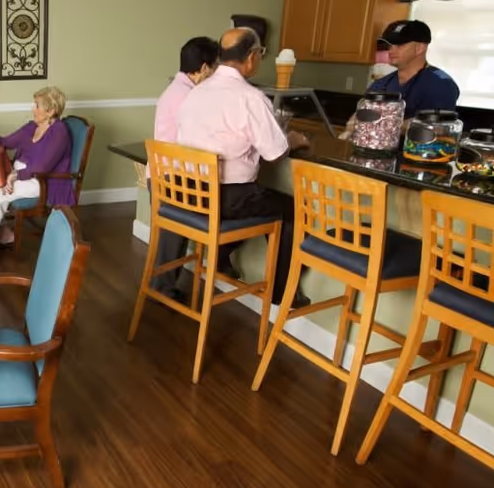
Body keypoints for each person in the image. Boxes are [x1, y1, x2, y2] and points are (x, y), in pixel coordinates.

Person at [175, 28, 311, 307]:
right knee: (294, 211)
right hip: (225, 199)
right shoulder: (250, 98)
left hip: (187, 195)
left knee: (256, 202)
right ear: (251, 57)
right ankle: (282, 292)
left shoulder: (196, 93)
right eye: (260, 53)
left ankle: (222, 259)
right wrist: (293, 140)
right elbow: (275, 154)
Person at [0, 86, 74, 272]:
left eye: (37, 105)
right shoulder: (32, 127)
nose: (33, 108)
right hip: (19, 176)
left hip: (42, 182)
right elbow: (5, 142)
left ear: (51, 110)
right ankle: (4, 233)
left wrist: (14, 177)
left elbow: (42, 167)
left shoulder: (59, 132)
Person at [151, 37, 219, 298]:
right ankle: (219, 258)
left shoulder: (174, 90)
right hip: (176, 179)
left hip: (162, 176)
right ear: (204, 68)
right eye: (214, 68)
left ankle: (162, 284)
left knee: (173, 232)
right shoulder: (191, 96)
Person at [342, 20, 460, 138]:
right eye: (390, 44)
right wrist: (349, 129)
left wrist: (382, 124)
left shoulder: (441, 84)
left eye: (399, 45)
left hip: (415, 153)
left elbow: (436, 126)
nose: (391, 50)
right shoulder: (381, 84)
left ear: (419, 48)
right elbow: (362, 113)